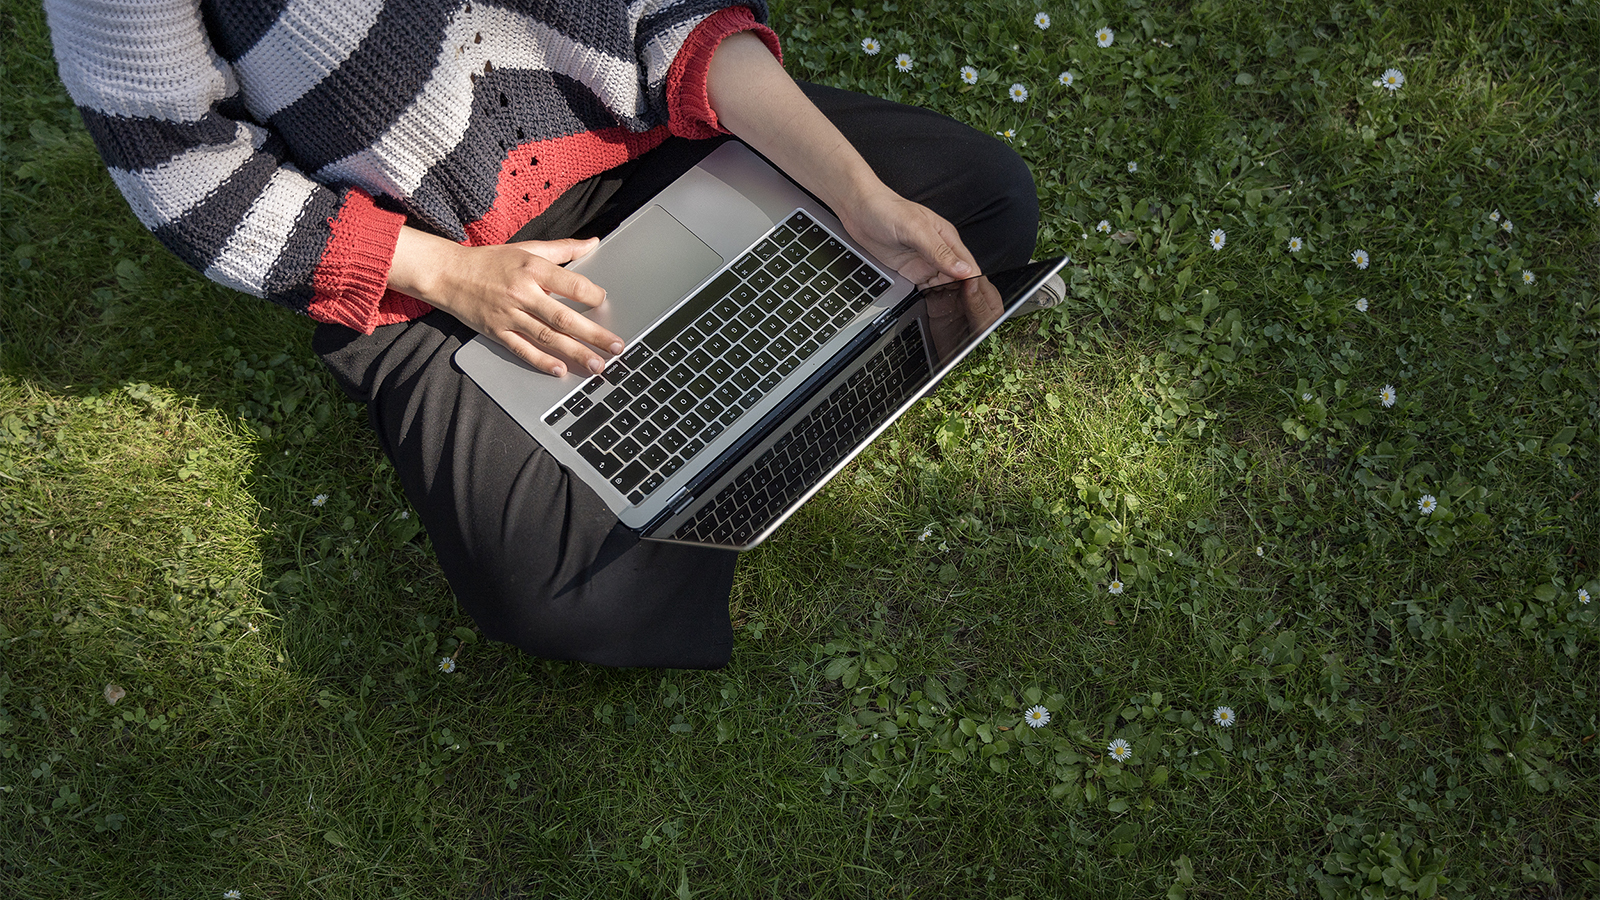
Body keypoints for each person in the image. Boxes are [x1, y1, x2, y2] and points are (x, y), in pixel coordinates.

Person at [45, 0, 1039, 668]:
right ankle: (753, 368)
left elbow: (669, 13)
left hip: (641, 149)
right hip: (427, 261)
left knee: (978, 201)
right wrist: (454, 278)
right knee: (568, 598)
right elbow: (182, 174)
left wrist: (857, 197)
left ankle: (701, 393)